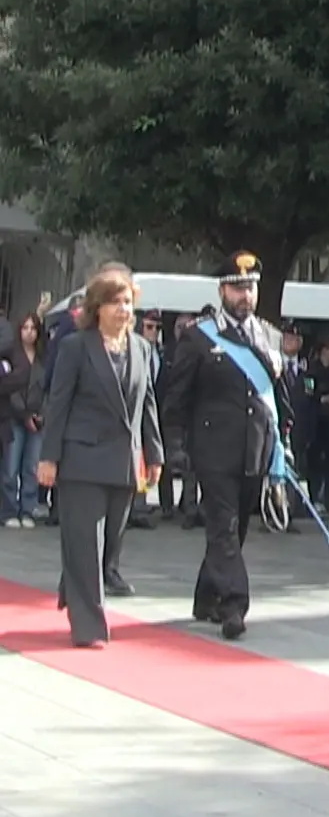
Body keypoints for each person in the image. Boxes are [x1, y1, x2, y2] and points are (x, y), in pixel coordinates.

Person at [161, 251, 293, 641]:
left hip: (256, 448)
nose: (245, 295)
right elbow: (176, 398)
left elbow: (278, 398)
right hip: (213, 448)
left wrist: (284, 445)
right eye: (237, 288)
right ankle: (235, 605)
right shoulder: (199, 338)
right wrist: (176, 447)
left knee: (236, 529)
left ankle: (207, 596)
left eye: (250, 288)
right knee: (223, 526)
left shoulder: (267, 337)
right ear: (222, 291)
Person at [38, 265, 163, 648]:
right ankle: (89, 624)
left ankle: (73, 584)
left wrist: (154, 453)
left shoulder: (142, 348)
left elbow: (148, 404)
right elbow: (58, 403)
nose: (123, 310)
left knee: (107, 544)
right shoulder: (77, 347)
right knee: (85, 544)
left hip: (124, 461)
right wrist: (49, 457)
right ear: (98, 308)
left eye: (127, 302)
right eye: (114, 303)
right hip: (82, 459)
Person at [2, 313, 47, 527]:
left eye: (33, 328)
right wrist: (25, 414)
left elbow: (49, 389)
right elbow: (10, 389)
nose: (29, 332)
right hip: (15, 416)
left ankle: (27, 509)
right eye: (25, 328)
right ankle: (9, 510)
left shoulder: (43, 357)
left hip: (37, 418)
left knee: (31, 466)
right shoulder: (11, 355)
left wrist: (40, 414)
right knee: (11, 466)